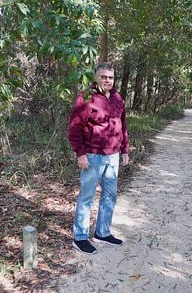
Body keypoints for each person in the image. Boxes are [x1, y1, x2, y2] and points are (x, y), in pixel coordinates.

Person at [68, 62, 130, 254]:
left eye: (110, 77)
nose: (107, 80)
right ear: (96, 77)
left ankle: (102, 232)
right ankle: (80, 238)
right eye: (103, 77)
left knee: (109, 195)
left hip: (113, 155)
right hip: (93, 156)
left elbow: (123, 125)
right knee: (87, 197)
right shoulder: (87, 97)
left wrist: (124, 149)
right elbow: (74, 128)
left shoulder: (118, 99)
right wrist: (80, 153)